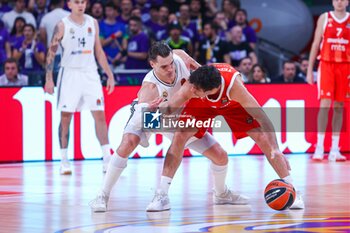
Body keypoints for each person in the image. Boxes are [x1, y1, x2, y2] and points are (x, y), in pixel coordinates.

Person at [89, 42, 249, 213]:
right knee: (129, 142)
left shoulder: (179, 58)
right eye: (164, 66)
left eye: (171, 63)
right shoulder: (150, 88)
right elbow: (146, 117)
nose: (170, 69)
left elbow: (190, 61)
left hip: (176, 116)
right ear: (152, 64)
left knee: (220, 156)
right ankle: (103, 195)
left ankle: (221, 194)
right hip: (150, 114)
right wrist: (151, 110)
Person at [147, 63, 305, 211]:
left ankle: (293, 191)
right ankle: (162, 195)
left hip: (232, 104)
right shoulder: (192, 86)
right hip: (203, 104)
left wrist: (276, 149)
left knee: (264, 140)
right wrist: (155, 109)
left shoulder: (236, 89)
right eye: (192, 87)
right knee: (180, 135)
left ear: (211, 90)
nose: (191, 91)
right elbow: (169, 108)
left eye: (196, 90)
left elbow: (262, 117)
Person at [44, 0, 115, 175]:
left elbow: (98, 51)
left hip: (90, 73)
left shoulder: (93, 22)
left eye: (83, 2)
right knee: (66, 117)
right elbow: (51, 53)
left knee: (99, 114)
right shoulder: (62, 25)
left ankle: (107, 157)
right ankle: (64, 159)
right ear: (69, 4)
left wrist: (109, 74)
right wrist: (49, 79)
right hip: (69, 73)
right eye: (77, 2)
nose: (81, 5)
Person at [307, 0, 349, 162]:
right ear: (332, 1)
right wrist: (310, 70)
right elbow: (315, 44)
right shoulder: (325, 17)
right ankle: (319, 147)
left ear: (347, 2)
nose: (339, 2)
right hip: (327, 65)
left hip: (345, 67)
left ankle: (334, 149)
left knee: (339, 106)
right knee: (325, 105)